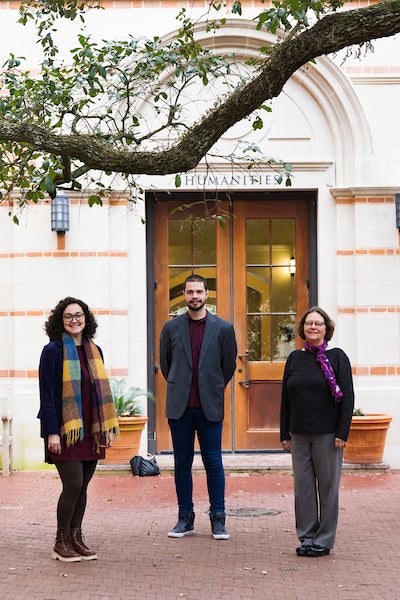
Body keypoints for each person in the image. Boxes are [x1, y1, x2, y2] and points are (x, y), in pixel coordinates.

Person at [38, 297, 119, 562]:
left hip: (90, 432)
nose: (75, 320)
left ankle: (76, 537)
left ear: (86, 318)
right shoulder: (52, 351)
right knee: (72, 484)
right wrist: (51, 432)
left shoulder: (94, 350)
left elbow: (99, 396)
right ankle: (60, 541)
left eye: (79, 315)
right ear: (60, 321)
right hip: (65, 431)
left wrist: (105, 427)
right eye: (69, 316)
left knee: (83, 486)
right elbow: (47, 396)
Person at [160, 274, 237, 540]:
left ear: (207, 294)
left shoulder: (224, 329)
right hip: (179, 408)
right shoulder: (170, 328)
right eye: (190, 292)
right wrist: (182, 385)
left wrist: (211, 386)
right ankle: (185, 518)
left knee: (213, 462)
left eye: (199, 292)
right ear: (184, 295)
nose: (195, 296)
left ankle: (218, 518)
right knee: (182, 464)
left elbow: (227, 367)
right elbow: (166, 365)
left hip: (209, 407)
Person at [280, 306, 354, 557]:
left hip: (328, 435)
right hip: (299, 434)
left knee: (328, 487)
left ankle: (323, 540)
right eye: (309, 323)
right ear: (303, 328)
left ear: (326, 328)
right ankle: (307, 537)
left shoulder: (337, 357)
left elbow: (347, 398)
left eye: (318, 324)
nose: (313, 327)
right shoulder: (294, 359)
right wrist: (284, 433)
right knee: (303, 488)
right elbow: (285, 399)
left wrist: (342, 432)